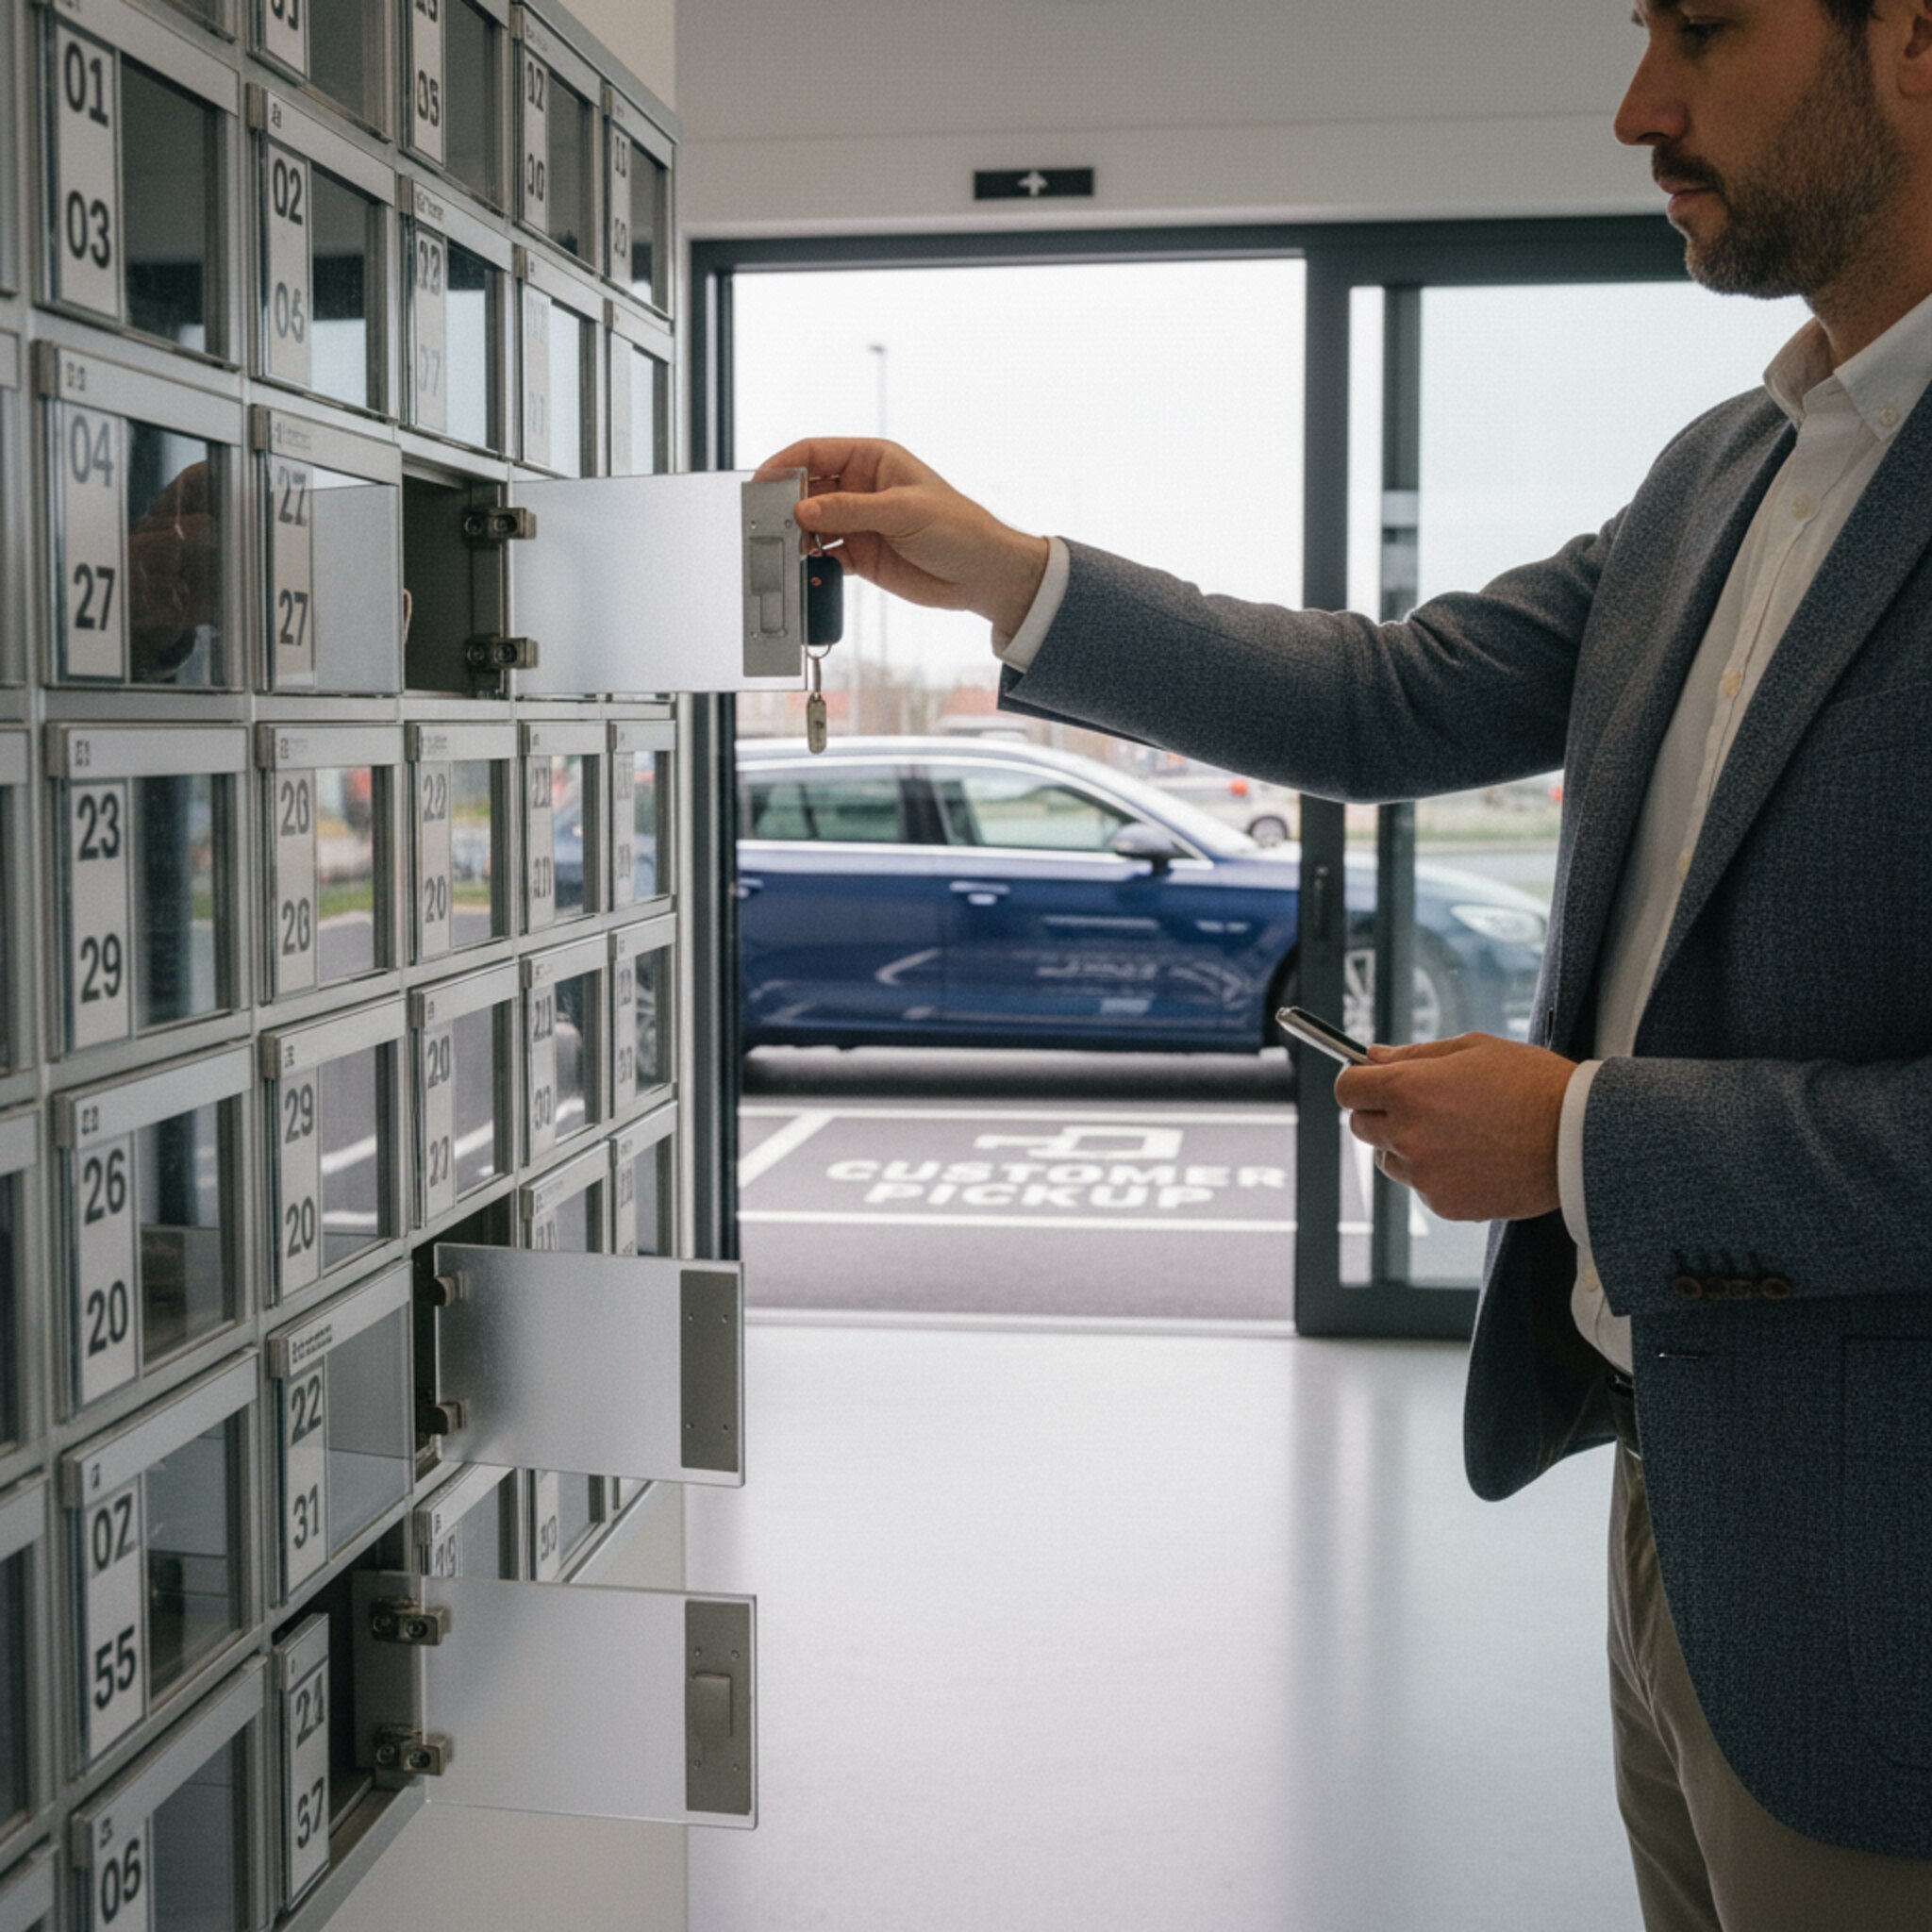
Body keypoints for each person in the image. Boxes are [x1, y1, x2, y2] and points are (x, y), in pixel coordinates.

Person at [759, 3, 1932, 1925]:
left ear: (1907, 41)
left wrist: (1578, 1147)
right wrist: (1006, 573)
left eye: (1703, 30)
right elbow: (1393, 697)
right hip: (1685, 1511)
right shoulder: (1724, 470)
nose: (1639, 107)